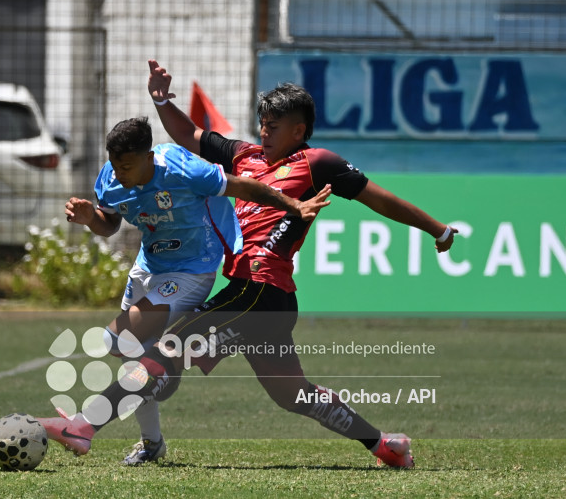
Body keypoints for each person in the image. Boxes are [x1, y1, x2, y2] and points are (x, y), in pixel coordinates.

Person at [40, 63, 457, 469]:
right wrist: (163, 100)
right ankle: (385, 445)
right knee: (293, 395)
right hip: (260, 298)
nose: (264, 131)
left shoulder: (318, 162)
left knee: (167, 351)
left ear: (298, 129)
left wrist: (436, 229)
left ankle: (84, 426)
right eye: (262, 122)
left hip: (259, 290)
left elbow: (378, 197)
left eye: (274, 126)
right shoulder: (245, 156)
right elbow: (188, 134)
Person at [60, 116, 331, 465]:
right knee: (136, 359)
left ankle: (103, 415)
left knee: (118, 341)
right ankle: (152, 442)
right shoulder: (111, 178)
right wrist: (90, 219)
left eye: (126, 166)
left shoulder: (184, 169)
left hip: (192, 270)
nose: (119, 173)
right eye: (115, 165)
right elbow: (109, 223)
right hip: (148, 267)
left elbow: (245, 187)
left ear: (148, 157)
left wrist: (294, 206)